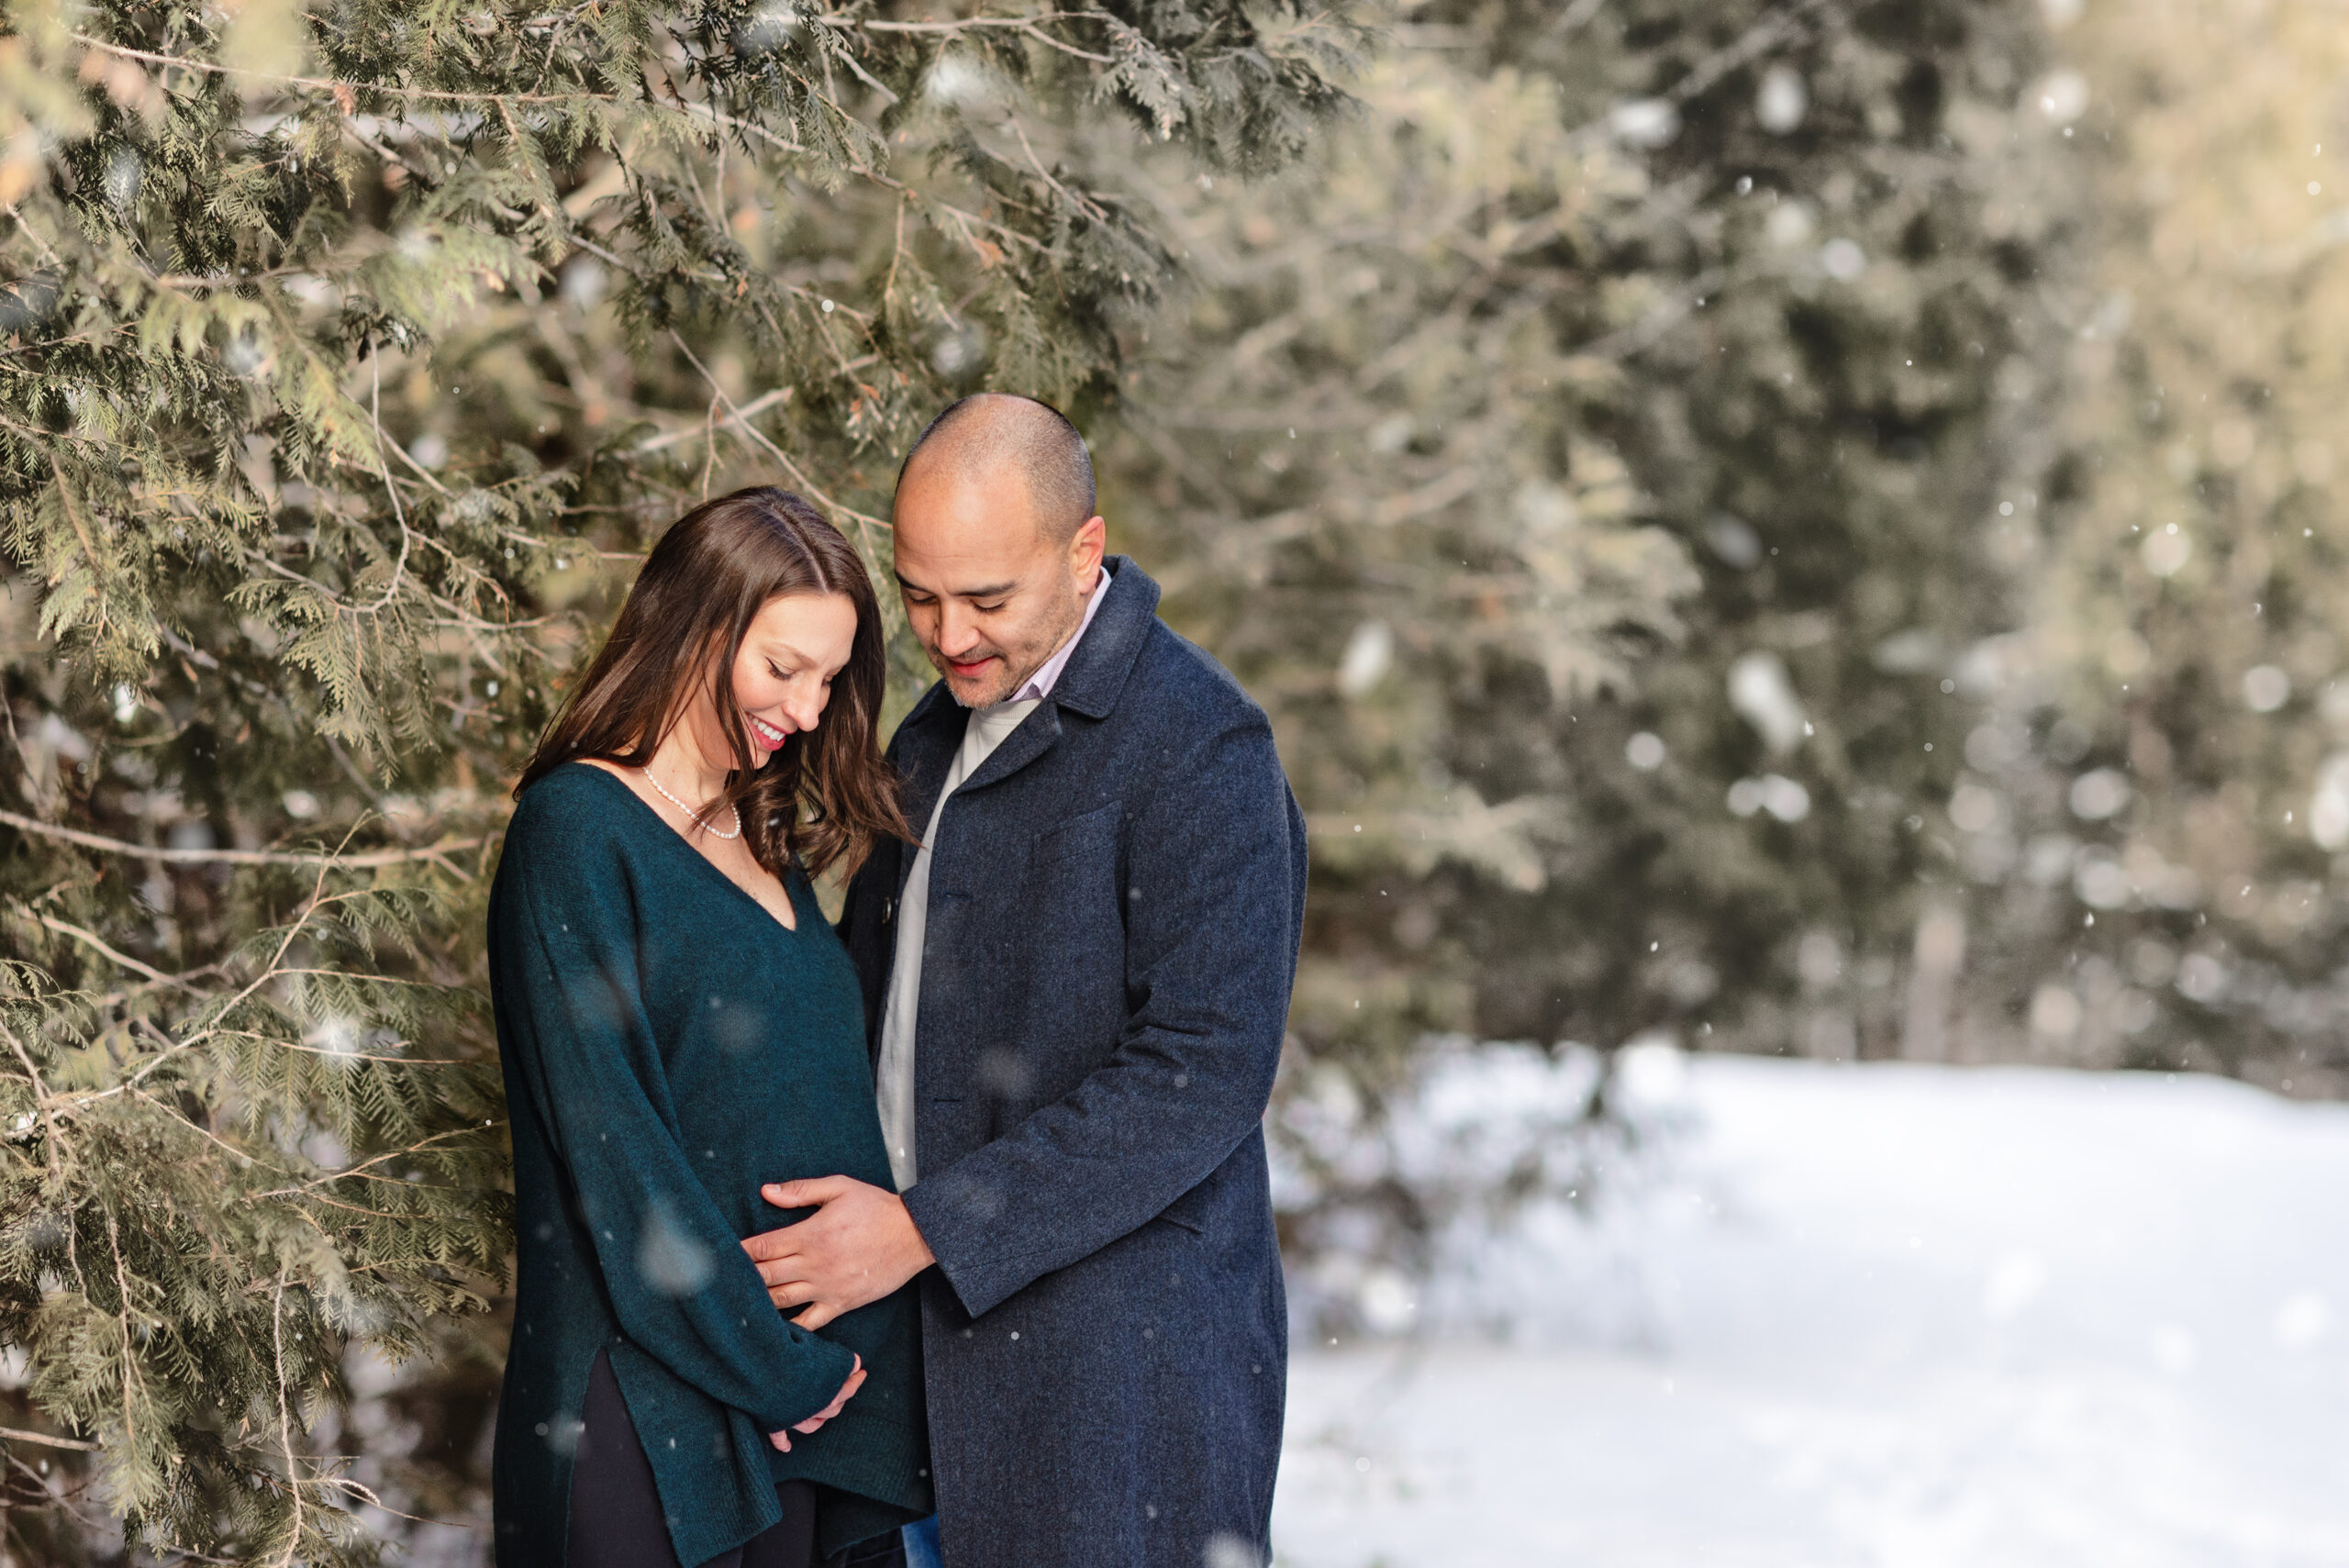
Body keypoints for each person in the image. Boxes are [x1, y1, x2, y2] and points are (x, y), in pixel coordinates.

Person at [740, 396, 1308, 1567]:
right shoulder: (933, 735)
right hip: (911, 1381)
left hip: (1108, 1396)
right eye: (920, 593)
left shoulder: (1200, 749)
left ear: (1082, 551)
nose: (948, 635)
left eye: (988, 599)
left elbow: (1198, 1075)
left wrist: (923, 1228)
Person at [489, 487, 930, 1568]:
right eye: (783, 667)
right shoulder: (578, 832)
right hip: (653, 1404)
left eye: (829, 678)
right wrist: (775, 1364)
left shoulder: (768, 845)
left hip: (799, 1413)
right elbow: (619, 1154)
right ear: (694, 625)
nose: (810, 707)